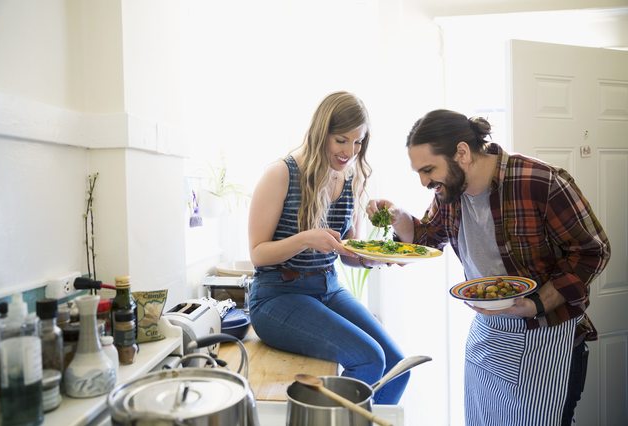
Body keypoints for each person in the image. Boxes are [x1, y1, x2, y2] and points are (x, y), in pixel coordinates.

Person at [367, 109, 610, 424]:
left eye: (428, 170)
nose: (425, 181)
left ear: (462, 153)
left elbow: (592, 251)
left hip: (547, 334)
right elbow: (428, 238)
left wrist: (535, 304)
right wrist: (398, 216)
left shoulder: (541, 182)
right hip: (488, 333)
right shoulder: (449, 193)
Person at [247, 91, 409, 404]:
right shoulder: (281, 174)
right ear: (321, 133)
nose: (350, 151)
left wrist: (376, 258)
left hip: (328, 288)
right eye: (341, 140)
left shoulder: (352, 179)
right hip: (277, 297)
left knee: (398, 366)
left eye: (358, 142)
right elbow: (258, 253)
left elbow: (349, 253)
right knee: (370, 359)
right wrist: (307, 238)